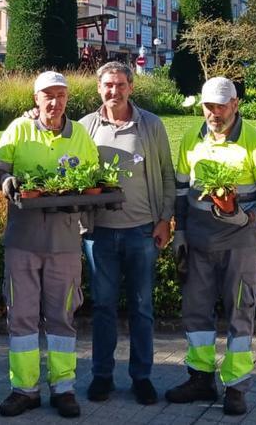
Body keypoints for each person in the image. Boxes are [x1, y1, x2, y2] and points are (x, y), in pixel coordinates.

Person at [166, 76, 256, 416]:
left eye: (221, 105)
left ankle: (236, 387)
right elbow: (180, 193)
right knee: (196, 314)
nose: (214, 112)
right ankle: (200, 378)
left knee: (239, 314)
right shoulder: (191, 138)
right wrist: (181, 233)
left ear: (235, 104)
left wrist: (247, 217)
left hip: (240, 245)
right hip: (199, 244)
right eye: (208, 106)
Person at [0, 71, 100, 419]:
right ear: (36, 98)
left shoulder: (80, 134)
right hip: (22, 241)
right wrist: (6, 180)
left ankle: (63, 387)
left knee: (62, 316)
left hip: (65, 242)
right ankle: (24, 389)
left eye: (61, 95)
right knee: (20, 316)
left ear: (68, 98)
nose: (55, 102)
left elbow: (94, 179)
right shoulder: (18, 129)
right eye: (48, 96)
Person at [77, 62, 176, 406]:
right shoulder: (86, 126)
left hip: (142, 232)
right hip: (99, 234)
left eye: (120, 84)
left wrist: (165, 219)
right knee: (102, 307)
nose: (113, 91)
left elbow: (166, 175)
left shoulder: (150, 125)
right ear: (98, 88)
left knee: (142, 307)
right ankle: (102, 377)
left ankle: (142, 377)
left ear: (131, 87)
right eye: (107, 85)